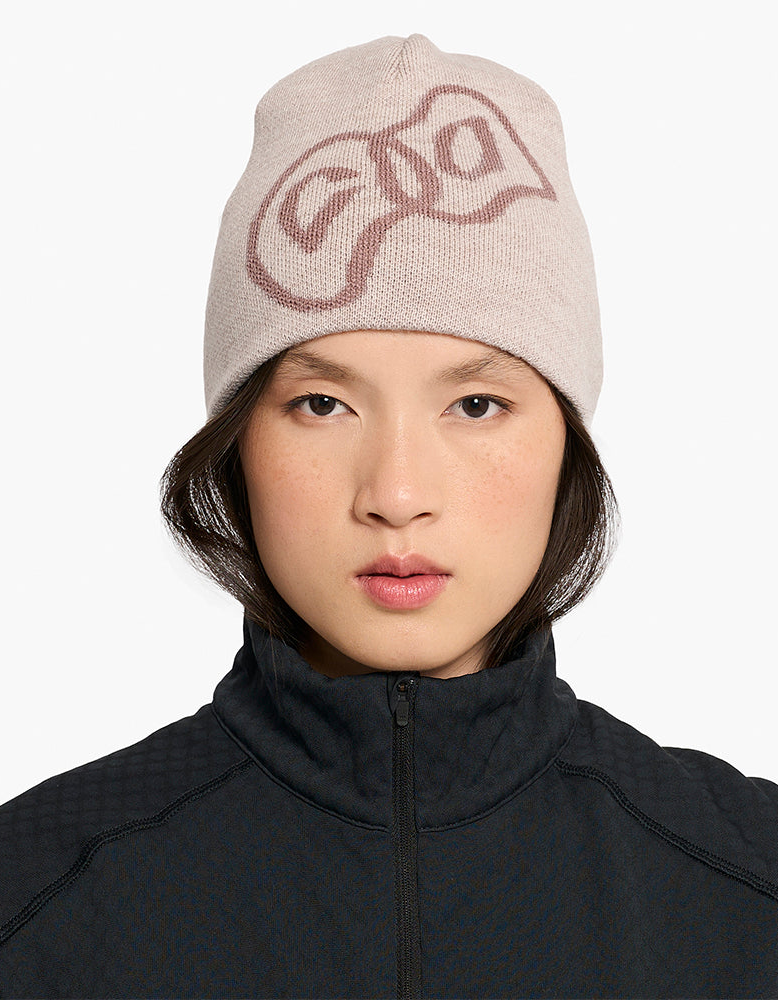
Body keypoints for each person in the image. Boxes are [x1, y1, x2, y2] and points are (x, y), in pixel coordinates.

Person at [1, 32, 776, 999]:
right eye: (323, 404)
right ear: (237, 443)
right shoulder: (34, 893)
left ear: (566, 443)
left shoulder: (750, 884)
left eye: (476, 404)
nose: (397, 494)